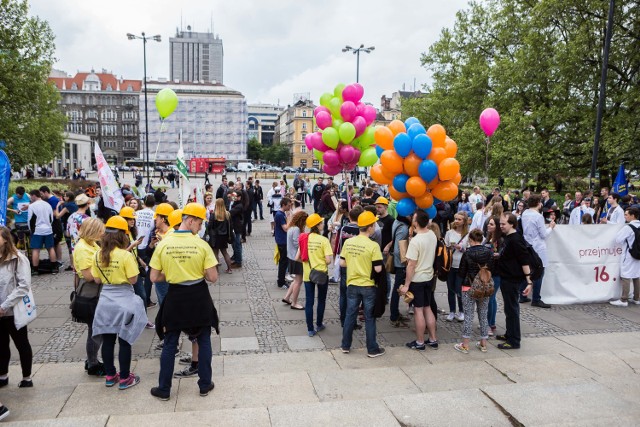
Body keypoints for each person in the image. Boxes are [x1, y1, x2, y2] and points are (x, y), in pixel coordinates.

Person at [149, 203, 219, 401]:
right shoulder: (201, 244)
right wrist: (199, 271)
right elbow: (213, 277)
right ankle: (205, 385)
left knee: (170, 341)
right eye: (199, 223)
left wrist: (172, 273)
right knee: (204, 339)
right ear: (189, 220)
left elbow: (154, 277)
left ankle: (164, 388)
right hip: (198, 295)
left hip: (175, 296)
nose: (200, 227)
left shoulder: (164, 244)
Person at [91, 216, 146, 390]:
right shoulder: (125, 255)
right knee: (124, 341)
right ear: (123, 235)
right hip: (124, 301)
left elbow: (97, 280)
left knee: (107, 340)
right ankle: (124, 378)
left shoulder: (97, 255)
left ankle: (110, 375)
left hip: (105, 301)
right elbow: (132, 279)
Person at [340, 211, 385, 357]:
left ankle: (345, 345)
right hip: (368, 285)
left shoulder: (348, 242)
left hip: (352, 284)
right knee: (369, 317)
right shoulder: (373, 246)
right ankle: (372, 349)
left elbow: (342, 262)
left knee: (350, 315)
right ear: (370, 227)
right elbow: (378, 268)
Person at [0, 226, 34, 388]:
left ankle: (26, 377)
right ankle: (3, 375)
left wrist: (4, 305)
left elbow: (24, 285)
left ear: (5, 239)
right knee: (1, 345)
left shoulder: (18, 258)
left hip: (13, 310)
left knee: (21, 343)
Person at [400, 210, 439, 351]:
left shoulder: (416, 241)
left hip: (418, 279)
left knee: (418, 310)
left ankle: (420, 341)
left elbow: (411, 265)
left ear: (416, 222)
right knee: (427, 308)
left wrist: (406, 284)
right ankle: (433, 339)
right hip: (429, 276)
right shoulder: (432, 234)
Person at [72, 218, 106, 375]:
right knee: (95, 329)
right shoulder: (83, 248)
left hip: (96, 292)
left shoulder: (91, 244)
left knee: (97, 328)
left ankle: (92, 360)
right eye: (101, 230)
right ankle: (92, 362)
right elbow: (89, 276)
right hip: (91, 292)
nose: (103, 233)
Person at [496, 213, 533, 350]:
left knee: (512, 309)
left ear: (512, 224)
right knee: (508, 308)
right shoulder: (509, 238)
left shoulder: (516, 239)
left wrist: (529, 281)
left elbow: (524, 260)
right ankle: (509, 334)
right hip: (506, 277)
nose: (501, 226)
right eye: (500, 223)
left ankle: (514, 340)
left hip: (512, 279)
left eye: (503, 224)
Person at [455, 229, 494, 353]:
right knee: (483, 314)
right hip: (484, 287)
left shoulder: (467, 253)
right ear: (481, 239)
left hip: (468, 287)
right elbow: (492, 268)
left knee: (468, 316)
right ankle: (483, 343)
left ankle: (465, 345)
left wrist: (457, 286)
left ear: (471, 240)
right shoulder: (488, 252)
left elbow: (461, 271)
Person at [299, 213, 333, 336]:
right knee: (321, 300)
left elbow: (298, 257)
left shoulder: (303, 238)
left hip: (308, 274)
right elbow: (329, 261)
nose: (322, 224)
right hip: (322, 274)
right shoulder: (324, 240)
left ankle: (310, 329)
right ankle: (319, 324)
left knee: (309, 302)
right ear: (318, 225)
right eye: (321, 223)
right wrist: (320, 261)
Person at [520, 194, 554, 308]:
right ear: (539, 203)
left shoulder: (524, 213)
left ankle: (522, 295)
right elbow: (543, 234)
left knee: (528, 271)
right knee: (539, 272)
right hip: (538, 247)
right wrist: (551, 227)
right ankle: (536, 298)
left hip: (527, 245)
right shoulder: (538, 216)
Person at [610, 207, 640, 307]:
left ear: (632, 216)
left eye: (626, 215)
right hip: (638, 255)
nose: (625, 216)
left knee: (626, 275)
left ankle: (624, 299)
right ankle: (637, 298)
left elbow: (618, 239)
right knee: (636, 275)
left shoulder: (628, 227)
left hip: (629, 254)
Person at [148, 203, 174, 306]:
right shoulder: (156, 232)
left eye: (157, 217)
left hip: (166, 275)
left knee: (166, 303)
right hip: (159, 273)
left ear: (163, 219)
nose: (155, 220)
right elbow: (150, 253)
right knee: (162, 302)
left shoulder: (171, 233)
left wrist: (162, 241)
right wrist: (151, 244)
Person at [444, 212, 468, 321]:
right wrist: (449, 247)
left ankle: (462, 311)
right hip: (450, 264)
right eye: (456, 218)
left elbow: (469, 250)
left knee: (459, 289)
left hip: (461, 265)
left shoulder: (468, 234)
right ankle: (452, 311)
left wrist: (461, 248)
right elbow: (445, 247)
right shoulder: (449, 233)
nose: (457, 221)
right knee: (450, 289)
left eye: (459, 219)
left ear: (464, 221)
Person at [27, 190, 58, 275]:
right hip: (48, 229)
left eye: (30, 196)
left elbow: (30, 220)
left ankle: (35, 270)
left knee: (36, 250)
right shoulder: (47, 204)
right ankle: (54, 268)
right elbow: (51, 218)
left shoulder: (32, 206)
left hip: (37, 231)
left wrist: (31, 230)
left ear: (34, 195)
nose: (30, 198)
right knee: (50, 248)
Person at [389, 214, 411, 328]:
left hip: (399, 263)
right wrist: (405, 262)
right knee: (397, 290)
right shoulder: (403, 228)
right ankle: (394, 316)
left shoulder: (397, 223)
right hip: (401, 264)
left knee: (397, 289)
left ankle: (395, 313)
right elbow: (398, 250)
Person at [284, 211, 308, 310]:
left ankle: (287, 297)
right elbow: (297, 243)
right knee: (299, 281)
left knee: (296, 280)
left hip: (291, 256)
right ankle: (294, 303)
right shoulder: (297, 229)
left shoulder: (291, 227)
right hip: (296, 258)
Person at [484, 215, 503, 337]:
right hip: (488, 271)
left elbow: (501, 255)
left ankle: (490, 324)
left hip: (496, 272)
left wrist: (495, 254)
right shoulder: (488, 238)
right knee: (491, 298)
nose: (488, 226)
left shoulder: (499, 240)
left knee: (490, 298)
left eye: (491, 224)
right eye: (488, 224)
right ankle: (491, 323)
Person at [207, 198, 234, 274]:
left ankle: (217, 271)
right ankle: (229, 269)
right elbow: (231, 226)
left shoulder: (214, 214)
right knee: (225, 252)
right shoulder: (227, 214)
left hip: (215, 237)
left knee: (215, 253)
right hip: (224, 236)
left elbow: (209, 226)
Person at [274, 198, 292, 289]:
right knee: (283, 262)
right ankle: (281, 281)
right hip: (282, 241)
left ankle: (281, 279)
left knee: (284, 261)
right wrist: (289, 218)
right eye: (288, 205)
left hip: (282, 240)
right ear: (283, 205)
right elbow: (285, 228)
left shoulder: (281, 214)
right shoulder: (280, 215)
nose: (290, 207)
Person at [228, 192, 244, 268]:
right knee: (236, 244)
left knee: (237, 244)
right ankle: (237, 258)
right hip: (235, 226)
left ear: (239, 197)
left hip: (237, 227)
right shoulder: (235, 203)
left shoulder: (239, 205)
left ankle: (238, 261)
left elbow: (231, 212)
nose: (233, 197)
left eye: (235, 196)